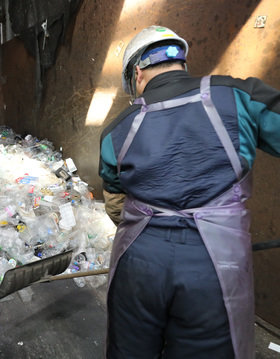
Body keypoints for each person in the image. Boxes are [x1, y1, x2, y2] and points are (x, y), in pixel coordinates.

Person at [99, 25, 280, 358]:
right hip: (214, 268)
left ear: (137, 73)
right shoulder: (239, 96)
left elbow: (115, 202)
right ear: (180, 62)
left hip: (137, 264)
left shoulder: (116, 130)